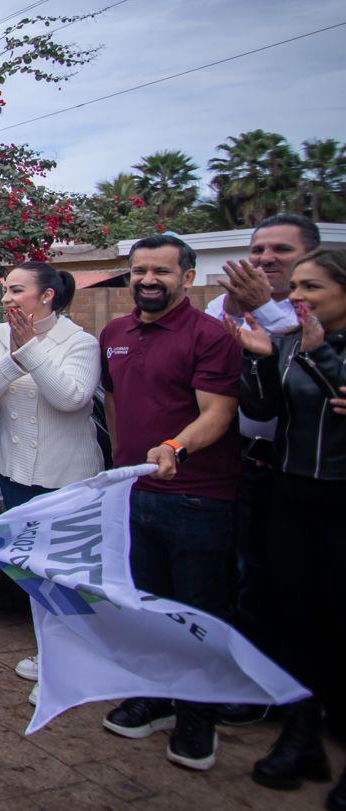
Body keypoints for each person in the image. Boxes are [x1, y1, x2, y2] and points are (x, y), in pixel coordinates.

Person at [98, 234, 242, 772]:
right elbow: (112, 397)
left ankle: (199, 717)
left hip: (197, 500)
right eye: (139, 271)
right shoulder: (114, 332)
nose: (148, 280)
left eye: (160, 271)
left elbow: (218, 413)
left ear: (187, 275)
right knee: (147, 605)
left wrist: (175, 447)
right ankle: (155, 698)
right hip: (134, 494)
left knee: (198, 612)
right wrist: (118, 456)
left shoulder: (210, 336)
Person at [225, 246, 346, 802]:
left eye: (311, 288)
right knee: (298, 618)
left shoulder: (320, 349)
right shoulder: (291, 342)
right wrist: (261, 359)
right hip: (291, 497)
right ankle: (301, 738)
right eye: (294, 287)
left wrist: (320, 360)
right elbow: (264, 414)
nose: (296, 297)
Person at [0, 259, 103, 702]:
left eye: (17, 290)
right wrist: (13, 354)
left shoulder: (80, 343)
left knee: (67, 570)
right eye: (5, 290)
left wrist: (31, 351)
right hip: (17, 472)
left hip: (69, 475)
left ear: (47, 296)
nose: (7, 298)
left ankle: (72, 661)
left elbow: (70, 398)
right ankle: (49, 651)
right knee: (34, 568)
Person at [205, 213, 318, 719]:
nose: (265, 259)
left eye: (280, 251)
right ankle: (247, 685)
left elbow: (305, 364)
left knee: (296, 589)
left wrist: (266, 309)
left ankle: (298, 700)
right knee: (242, 578)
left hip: (305, 474)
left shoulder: (315, 316)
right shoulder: (225, 309)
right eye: (258, 250)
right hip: (238, 462)